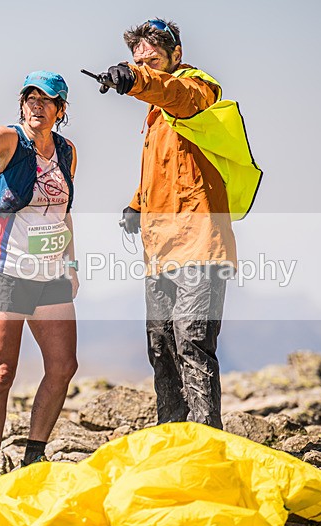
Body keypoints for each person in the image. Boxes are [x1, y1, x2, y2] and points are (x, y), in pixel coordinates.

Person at [95, 20, 237, 429]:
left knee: (193, 340)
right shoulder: (155, 115)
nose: (147, 67)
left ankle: (206, 440)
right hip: (159, 250)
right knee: (161, 347)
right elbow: (165, 170)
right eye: (139, 62)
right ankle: (172, 437)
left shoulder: (199, 90)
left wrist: (136, 79)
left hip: (200, 244)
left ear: (177, 54)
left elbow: (177, 94)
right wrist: (136, 204)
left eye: (154, 60)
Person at [0, 71, 79, 482]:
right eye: (30, 98)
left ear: (60, 109)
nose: (36, 105)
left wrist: (71, 263)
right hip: (4, 269)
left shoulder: (66, 151)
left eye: (46, 99)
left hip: (50, 272)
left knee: (63, 366)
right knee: (2, 371)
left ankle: (34, 455)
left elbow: (64, 211)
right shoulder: (11, 140)